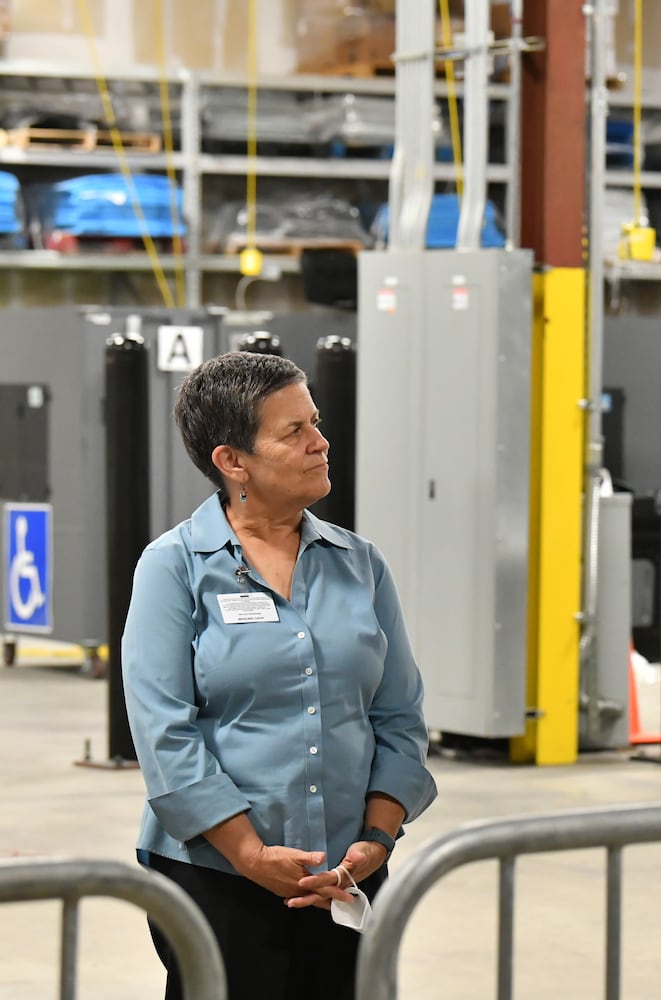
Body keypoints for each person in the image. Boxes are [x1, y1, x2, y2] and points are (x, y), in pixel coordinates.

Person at [122, 351, 437, 1000]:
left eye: (315, 423)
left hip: (345, 878)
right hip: (217, 881)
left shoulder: (360, 564)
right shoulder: (175, 567)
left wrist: (375, 839)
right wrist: (248, 853)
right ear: (232, 461)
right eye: (294, 432)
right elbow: (165, 733)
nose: (321, 443)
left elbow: (399, 716)